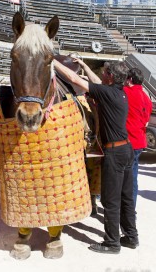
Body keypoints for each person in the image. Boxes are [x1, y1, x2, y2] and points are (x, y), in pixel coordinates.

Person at [54, 58, 139, 254]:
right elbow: (96, 82)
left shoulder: (107, 92)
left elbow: (73, 78)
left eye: (105, 71)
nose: (102, 73)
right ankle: (131, 237)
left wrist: (51, 60)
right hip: (126, 149)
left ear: (110, 77)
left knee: (110, 200)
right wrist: (84, 66)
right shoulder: (118, 92)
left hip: (115, 153)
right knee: (126, 198)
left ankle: (112, 243)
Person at [124, 68, 152, 209]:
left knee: (122, 180)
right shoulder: (146, 98)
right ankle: (131, 210)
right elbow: (146, 120)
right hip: (139, 142)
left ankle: (125, 212)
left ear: (129, 80)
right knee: (133, 178)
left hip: (127, 142)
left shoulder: (125, 92)